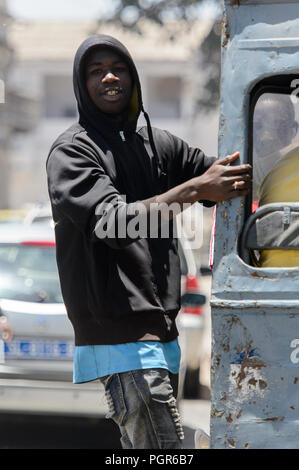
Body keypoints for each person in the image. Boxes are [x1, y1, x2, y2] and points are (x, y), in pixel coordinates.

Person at [46, 34, 251, 449]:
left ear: (133, 78)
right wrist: (193, 191)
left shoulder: (156, 145)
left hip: (163, 333)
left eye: (118, 68)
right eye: (95, 71)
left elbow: (222, 175)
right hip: (118, 338)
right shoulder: (72, 153)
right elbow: (114, 225)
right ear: (81, 84)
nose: (108, 77)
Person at [252, 93, 299, 267]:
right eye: (258, 127)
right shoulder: (241, 182)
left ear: (293, 130)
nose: (266, 137)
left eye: (278, 126)